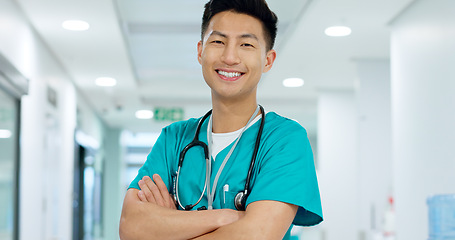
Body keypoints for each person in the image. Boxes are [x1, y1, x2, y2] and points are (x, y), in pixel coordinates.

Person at [119, 0, 323, 239]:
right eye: (218, 41)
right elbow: (131, 227)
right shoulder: (173, 140)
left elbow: (258, 234)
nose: (229, 57)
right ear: (200, 51)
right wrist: (227, 217)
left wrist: (172, 225)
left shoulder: (285, 140)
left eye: (246, 44)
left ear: (268, 60)